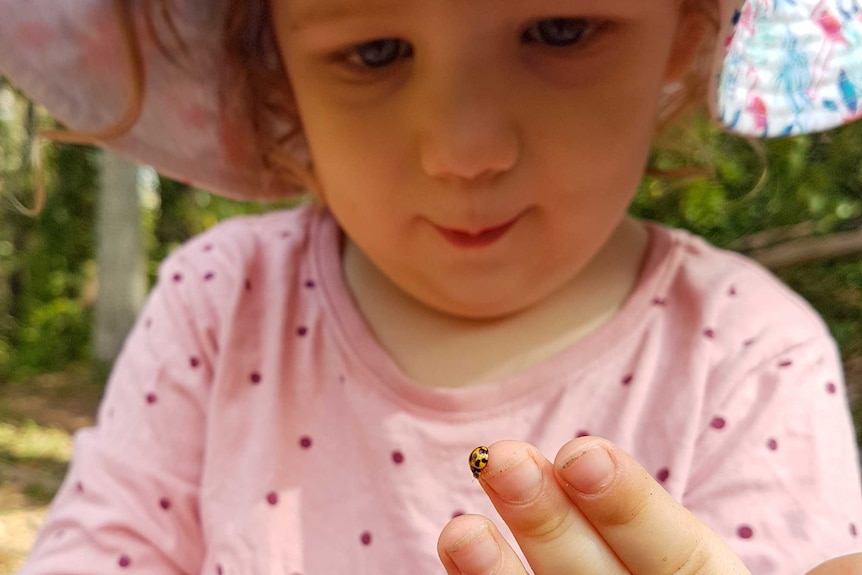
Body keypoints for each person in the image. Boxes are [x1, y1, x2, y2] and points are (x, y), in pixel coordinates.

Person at [0, 0, 860, 573]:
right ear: (277, 74)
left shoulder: (749, 354)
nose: (464, 148)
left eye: (558, 29)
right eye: (374, 51)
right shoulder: (221, 304)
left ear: (686, 29)